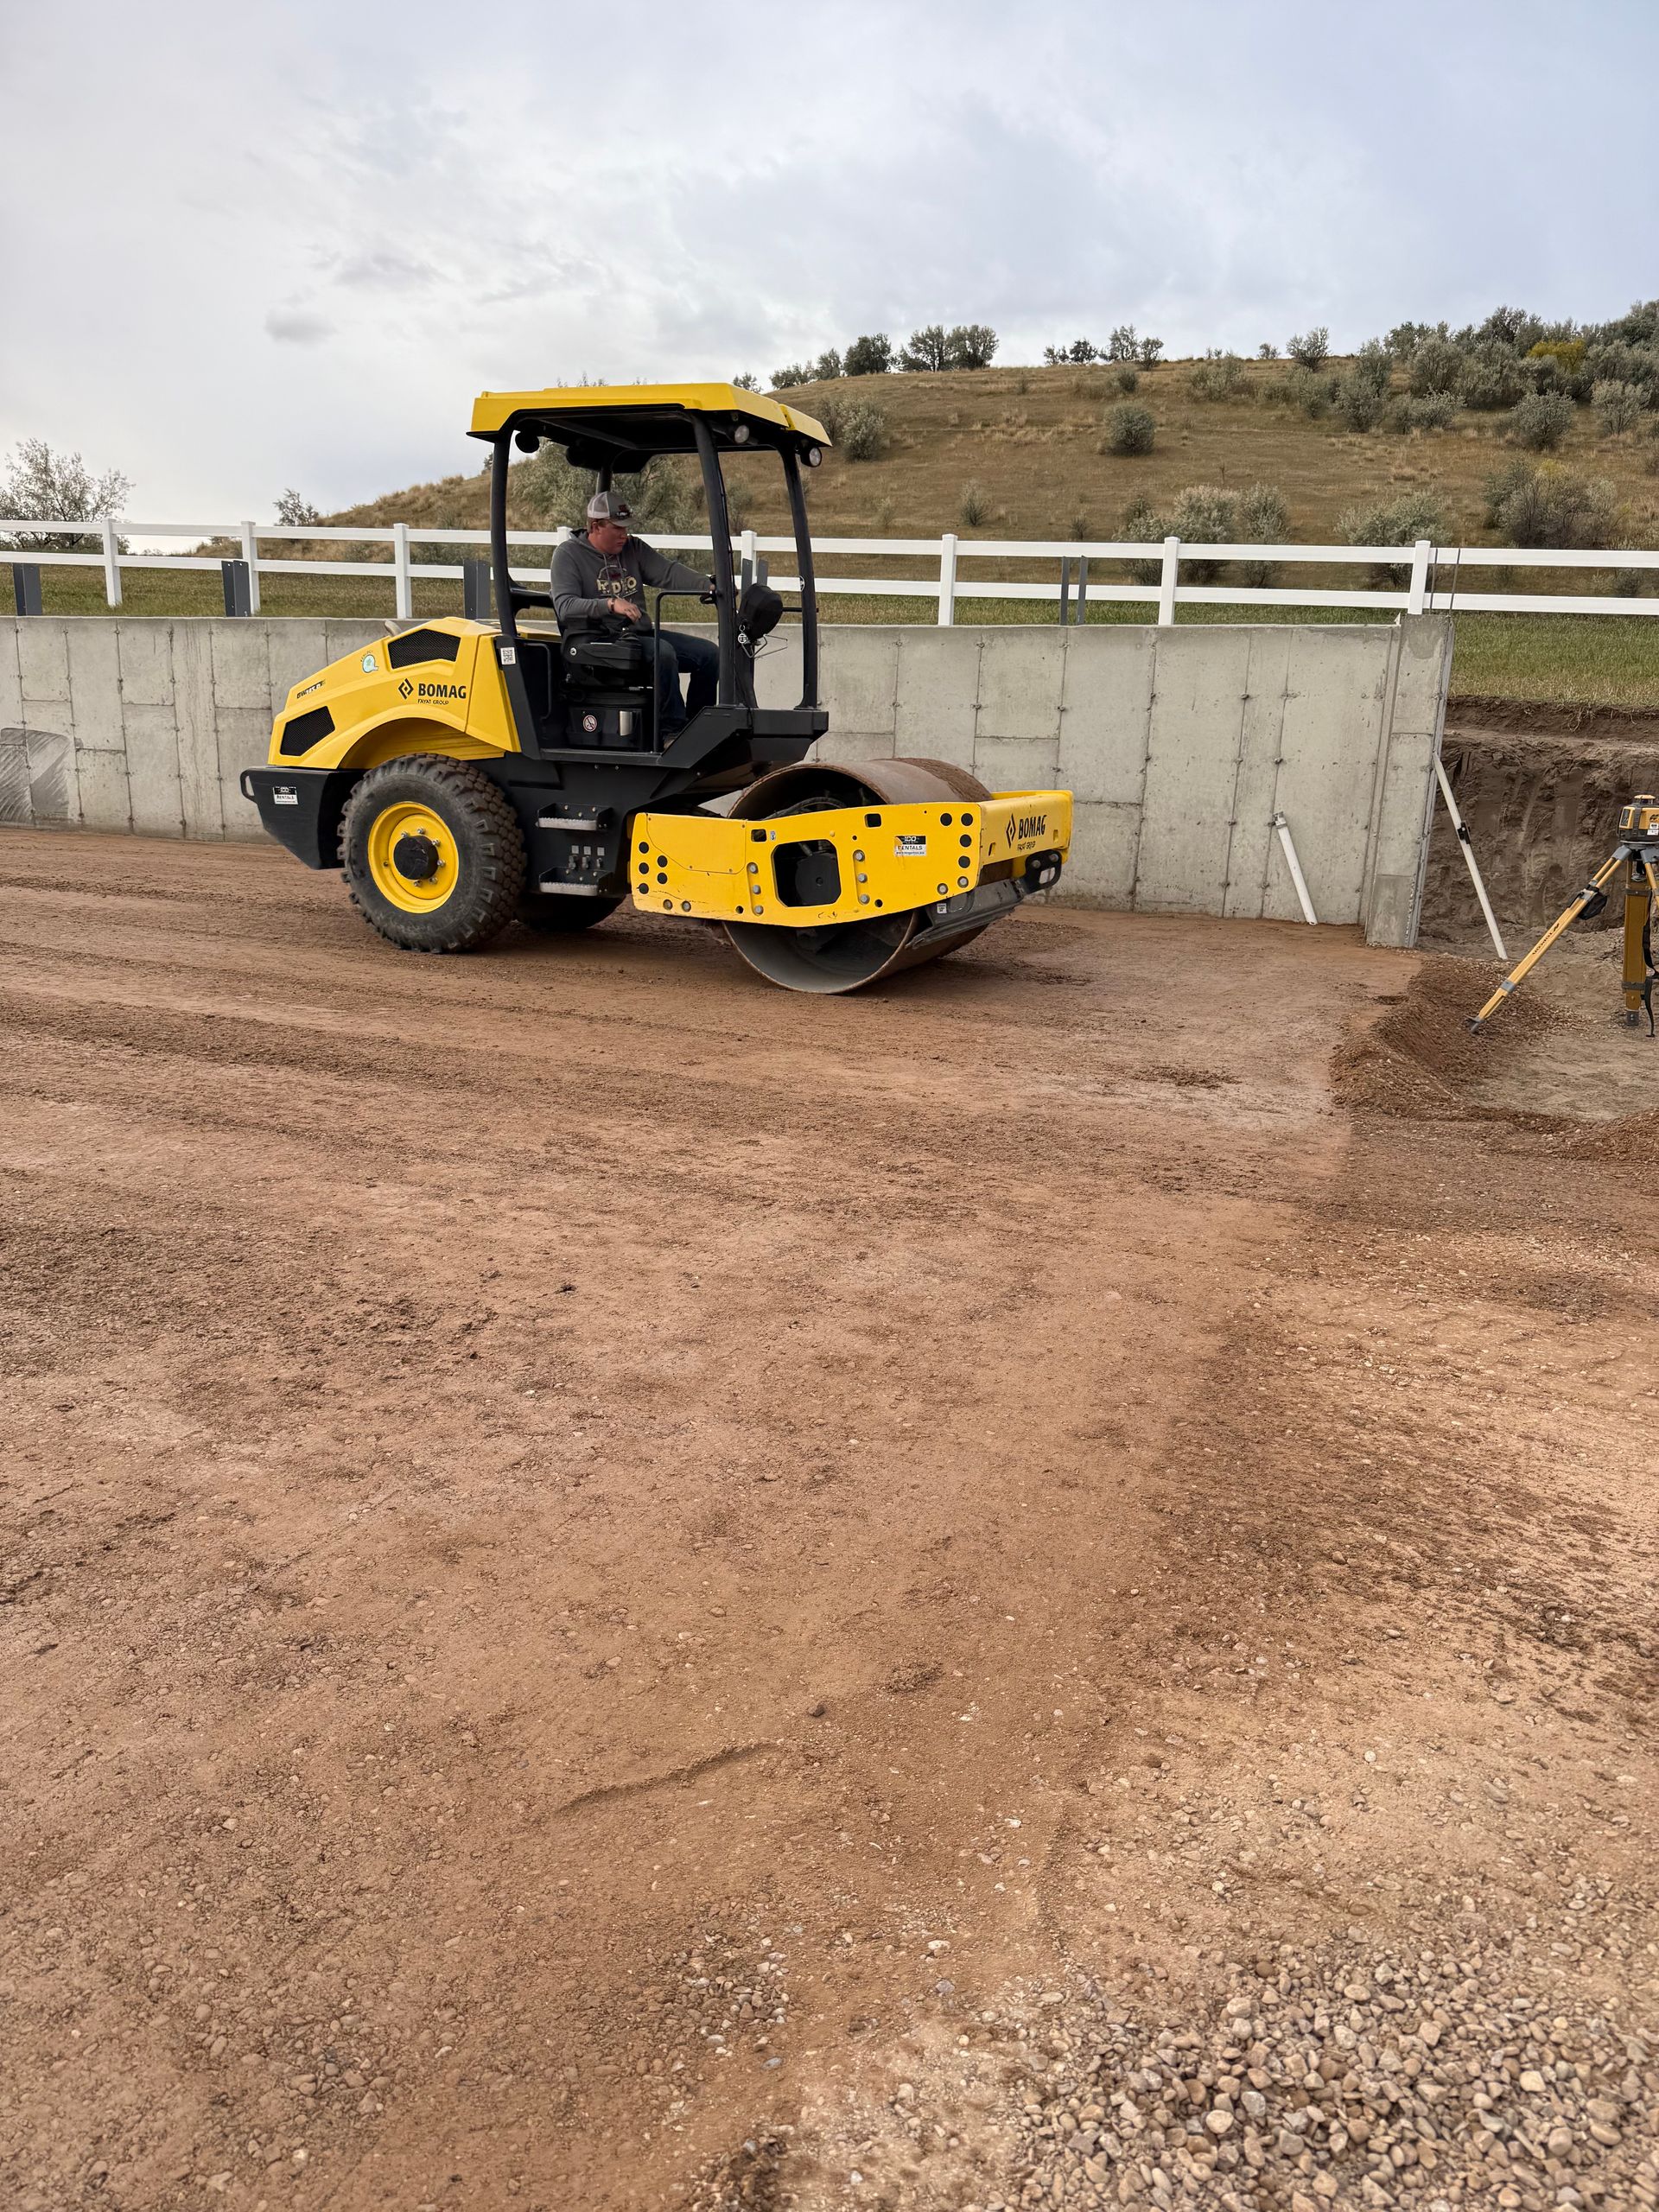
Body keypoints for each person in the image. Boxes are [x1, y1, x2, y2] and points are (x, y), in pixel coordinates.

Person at [549, 491, 720, 735]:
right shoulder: (568, 555)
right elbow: (565, 606)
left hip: (637, 636)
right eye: (618, 529)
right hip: (596, 640)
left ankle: (698, 729)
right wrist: (609, 604)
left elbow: (668, 572)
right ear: (596, 526)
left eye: (626, 528)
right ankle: (671, 732)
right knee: (664, 654)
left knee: (709, 655)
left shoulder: (633, 548)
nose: (624, 535)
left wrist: (710, 585)